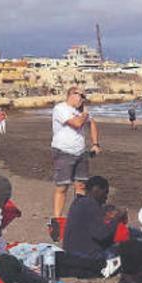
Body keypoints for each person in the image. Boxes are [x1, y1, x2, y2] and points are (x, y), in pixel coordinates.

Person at [62, 176, 142, 278]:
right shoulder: (90, 205)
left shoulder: (79, 203)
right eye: (105, 193)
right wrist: (117, 218)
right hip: (92, 258)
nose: (105, 198)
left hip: (75, 255)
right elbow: (101, 234)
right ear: (97, 190)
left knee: (134, 235)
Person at [50, 87, 100, 219]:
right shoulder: (60, 108)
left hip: (81, 152)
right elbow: (77, 123)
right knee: (62, 186)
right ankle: (57, 219)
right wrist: (84, 114)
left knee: (81, 185)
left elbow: (92, 124)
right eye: (81, 97)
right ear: (72, 95)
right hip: (63, 151)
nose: (83, 101)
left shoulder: (81, 111)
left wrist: (95, 144)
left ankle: (79, 216)